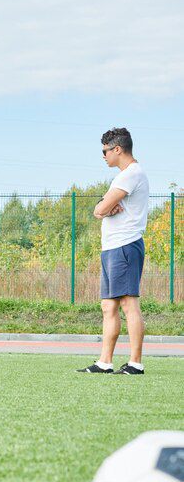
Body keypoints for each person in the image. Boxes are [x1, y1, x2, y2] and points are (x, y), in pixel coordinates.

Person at [78, 128, 149, 375]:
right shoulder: (122, 177)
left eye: (105, 151)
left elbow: (100, 209)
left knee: (129, 303)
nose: (103, 156)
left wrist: (102, 208)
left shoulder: (131, 174)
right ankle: (104, 362)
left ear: (117, 149)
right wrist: (103, 207)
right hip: (111, 248)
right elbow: (101, 208)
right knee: (108, 306)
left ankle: (135, 363)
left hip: (125, 245)